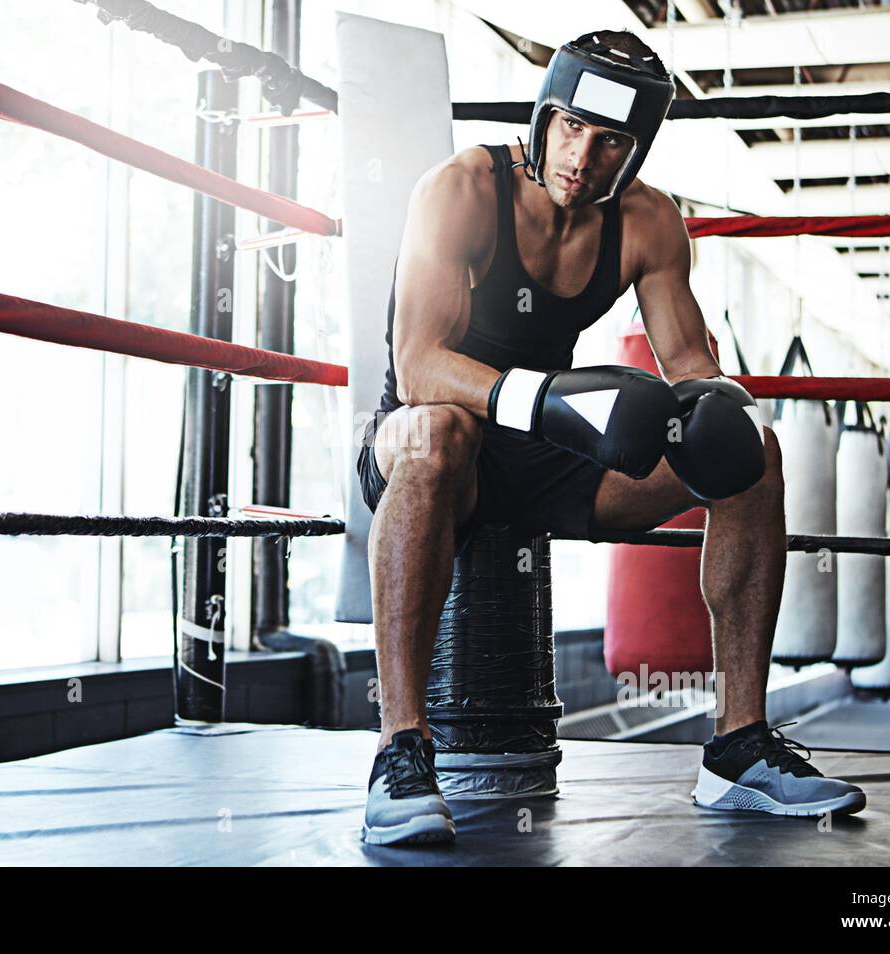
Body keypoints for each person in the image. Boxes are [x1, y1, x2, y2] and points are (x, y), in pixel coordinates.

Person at [355, 30, 864, 846]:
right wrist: (546, 399)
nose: (582, 156)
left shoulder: (649, 223)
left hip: (551, 452)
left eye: (611, 141)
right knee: (437, 434)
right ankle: (401, 751)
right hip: (435, 443)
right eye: (570, 127)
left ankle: (737, 748)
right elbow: (419, 366)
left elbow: (694, 363)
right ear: (543, 115)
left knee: (752, 460)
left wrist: (720, 410)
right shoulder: (460, 191)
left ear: (637, 150)